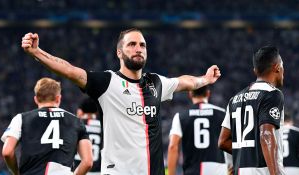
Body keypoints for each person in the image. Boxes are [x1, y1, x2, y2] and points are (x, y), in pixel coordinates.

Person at [21, 28, 221, 175]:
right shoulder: (107, 82)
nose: (138, 49)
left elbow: (184, 82)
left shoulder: (156, 82)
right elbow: (70, 70)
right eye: (132, 44)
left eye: (142, 45)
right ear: (119, 52)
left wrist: (205, 79)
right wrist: (37, 53)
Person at [1, 78, 93, 175]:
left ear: (36, 99)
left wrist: (16, 172)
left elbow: (7, 152)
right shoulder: (77, 121)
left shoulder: (21, 118)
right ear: (58, 98)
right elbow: (87, 162)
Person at [218, 46, 285, 175]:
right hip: (262, 171)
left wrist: (246, 152)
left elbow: (223, 141)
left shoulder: (234, 99)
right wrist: (275, 173)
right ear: (277, 67)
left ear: (255, 70)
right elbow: (266, 134)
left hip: (240, 171)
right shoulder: (272, 94)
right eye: (282, 66)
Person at [168, 86, 228, 175]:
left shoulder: (181, 116)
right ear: (208, 93)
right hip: (217, 170)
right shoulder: (222, 113)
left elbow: (173, 146)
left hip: (192, 170)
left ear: (190, 94)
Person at [74, 97, 102, 175]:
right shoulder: (103, 126)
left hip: (78, 170)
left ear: (81, 110)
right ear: (96, 112)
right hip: (98, 171)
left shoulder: (75, 125)